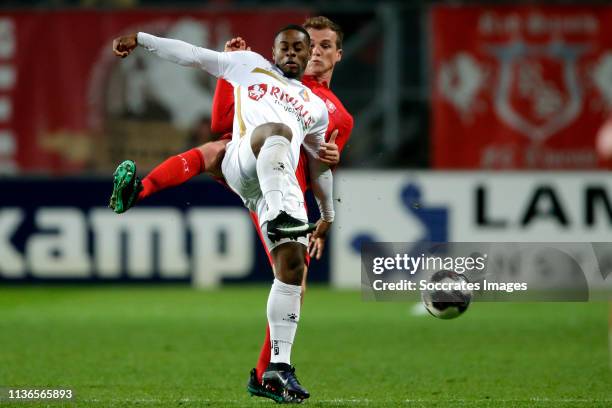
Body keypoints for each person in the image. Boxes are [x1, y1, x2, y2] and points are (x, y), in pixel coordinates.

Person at [110, 16, 353, 403]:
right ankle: (140, 189)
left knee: (294, 272)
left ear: (333, 55)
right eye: (293, 46)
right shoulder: (249, 64)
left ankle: (276, 369)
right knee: (240, 142)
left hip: (287, 190)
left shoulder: (324, 112)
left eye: (319, 46)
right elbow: (191, 58)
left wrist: (327, 215)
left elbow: (321, 166)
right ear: (274, 51)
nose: (309, 52)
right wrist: (140, 39)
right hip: (247, 161)